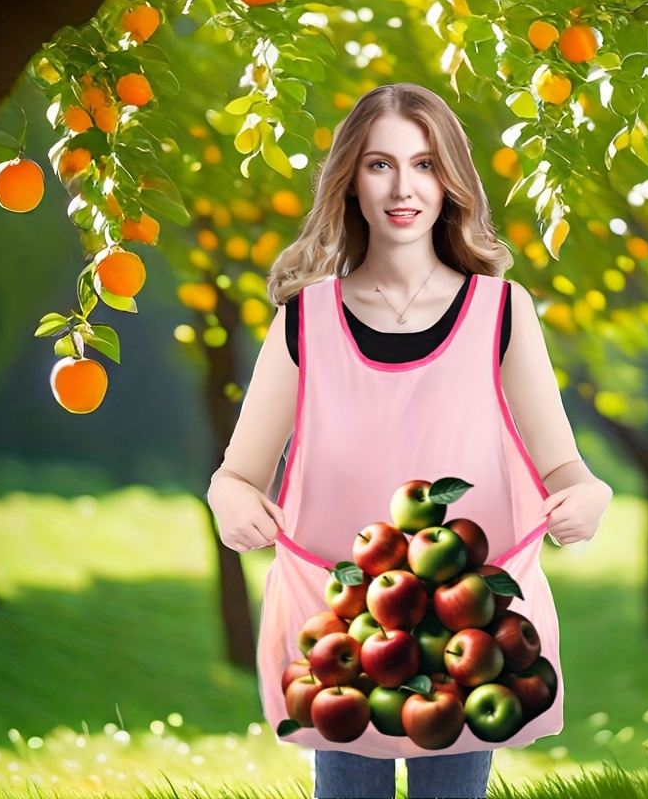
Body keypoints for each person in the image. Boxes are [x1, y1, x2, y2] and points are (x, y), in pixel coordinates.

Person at [207, 83, 613, 799]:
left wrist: (590, 495)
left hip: (469, 629)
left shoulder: (502, 312)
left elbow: (565, 468)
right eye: (379, 165)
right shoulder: (306, 319)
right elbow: (237, 473)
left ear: (451, 180)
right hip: (337, 628)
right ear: (350, 183)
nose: (404, 188)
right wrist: (230, 502)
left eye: (425, 164)